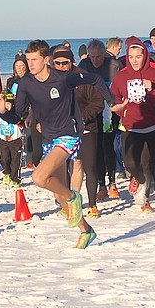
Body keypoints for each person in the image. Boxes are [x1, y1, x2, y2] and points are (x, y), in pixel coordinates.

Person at [0, 39, 113, 249]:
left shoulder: (64, 78)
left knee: (39, 177)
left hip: (69, 135)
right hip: (49, 137)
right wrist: (3, 111)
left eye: (34, 60)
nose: (30, 64)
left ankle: (74, 198)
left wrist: (111, 101)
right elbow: (18, 116)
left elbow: (95, 80)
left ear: (46, 59)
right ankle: (86, 231)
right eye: (28, 60)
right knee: (59, 195)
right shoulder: (26, 84)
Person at [110, 37, 155, 214]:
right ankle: (142, 182)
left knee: (154, 166)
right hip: (132, 126)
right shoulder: (121, 77)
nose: (135, 60)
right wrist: (121, 111)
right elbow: (115, 101)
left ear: (145, 56)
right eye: (132, 57)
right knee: (130, 163)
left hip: (153, 126)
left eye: (139, 57)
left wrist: (152, 89)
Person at [56, 45, 106, 218]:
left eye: (65, 63)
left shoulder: (84, 78)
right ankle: (69, 202)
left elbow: (98, 103)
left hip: (87, 128)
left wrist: (82, 118)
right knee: (67, 166)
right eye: (58, 63)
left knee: (88, 166)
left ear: (72, 62)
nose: (61, 66)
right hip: (63, 129)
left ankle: (92, 204)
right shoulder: (52, 80)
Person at [78, 39, 121, 199]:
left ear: (104, 53)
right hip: (92, 111)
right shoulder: (84, 65)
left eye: (98, 57)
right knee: (96, 150)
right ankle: (101, 184)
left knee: (108, 147)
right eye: (93, 57)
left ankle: (112, 182)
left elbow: (120, 87)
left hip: (110, 111)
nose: (95, 60)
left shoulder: (113, 65)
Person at [0, 89, 24, 188]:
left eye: (9, 104)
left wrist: (21, 123)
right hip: (3, 141)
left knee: (15, 161)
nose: (7, 106)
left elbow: (20, 122)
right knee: (4, 159)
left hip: (15, 141)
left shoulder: (16, 115)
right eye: (5, 104)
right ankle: (6, 172)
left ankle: (16, 179)